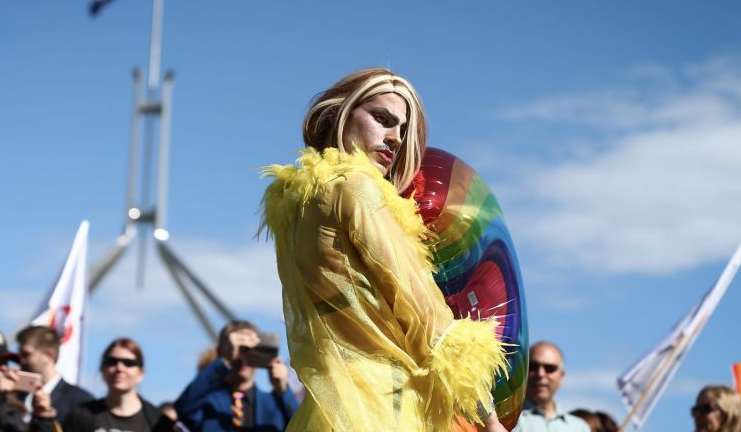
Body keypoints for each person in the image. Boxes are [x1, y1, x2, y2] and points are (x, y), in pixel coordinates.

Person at [259, 68, 508, 432]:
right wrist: (489, 416)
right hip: (387, 405)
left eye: (403, 129)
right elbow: (422, 308)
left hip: (331, 406)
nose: (395, 138)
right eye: (382, 119)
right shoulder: (355, 188)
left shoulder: (295, 201)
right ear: (340, 114)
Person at [174, 320, 298, 432]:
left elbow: (304, 426)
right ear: (220, 351)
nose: (243, 358)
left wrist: (282, 389)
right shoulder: (206, 401)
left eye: (250, 350)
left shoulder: (275, 404)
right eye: (240, 350)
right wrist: (225, 361)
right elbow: (184, 409)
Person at [63, 337, 173, 432]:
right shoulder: (81, 416)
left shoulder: (158, 422)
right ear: (102, 369)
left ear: (141, 373)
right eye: (112, 362)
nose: (119, 368)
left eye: (128, 363)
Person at [15, 325, 93, 428]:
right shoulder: (14, 396)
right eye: (20, 355)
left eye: (26, 354)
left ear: (49, 355)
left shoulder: (80, 401)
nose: (21, 361)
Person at [514, 341, 589, 432]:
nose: (540, 374)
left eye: (550, 368)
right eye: (533, 367)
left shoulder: (579, 427)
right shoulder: (508, 421)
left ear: (561, 376)